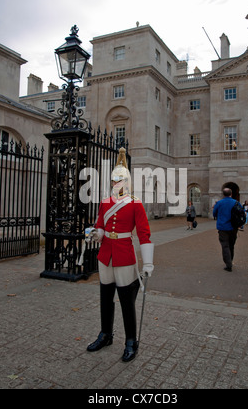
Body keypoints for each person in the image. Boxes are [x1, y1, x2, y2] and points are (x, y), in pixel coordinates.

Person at [86, 148, 154, 363]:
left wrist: (148, 262)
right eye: (114, 179)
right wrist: (95, 234)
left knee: (126, 301)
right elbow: (100, 226)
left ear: (128, 181)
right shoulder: (105, 203)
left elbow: (144, 234)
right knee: (105, 298)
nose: (117, 183)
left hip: (124, 254)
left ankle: (131, 341)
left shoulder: (135, 203)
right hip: (106, 254)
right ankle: (105, 334)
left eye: (121, 179)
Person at [213, 188, 241, 272]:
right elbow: (241, 213)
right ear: (231, 194)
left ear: (223, 194)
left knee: (225, 246)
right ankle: (230, 261)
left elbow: (214, 214)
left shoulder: (219, 203)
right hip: (233, 227)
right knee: (231, 245)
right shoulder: (236, 202)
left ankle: (228, 264)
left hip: (223, 227)